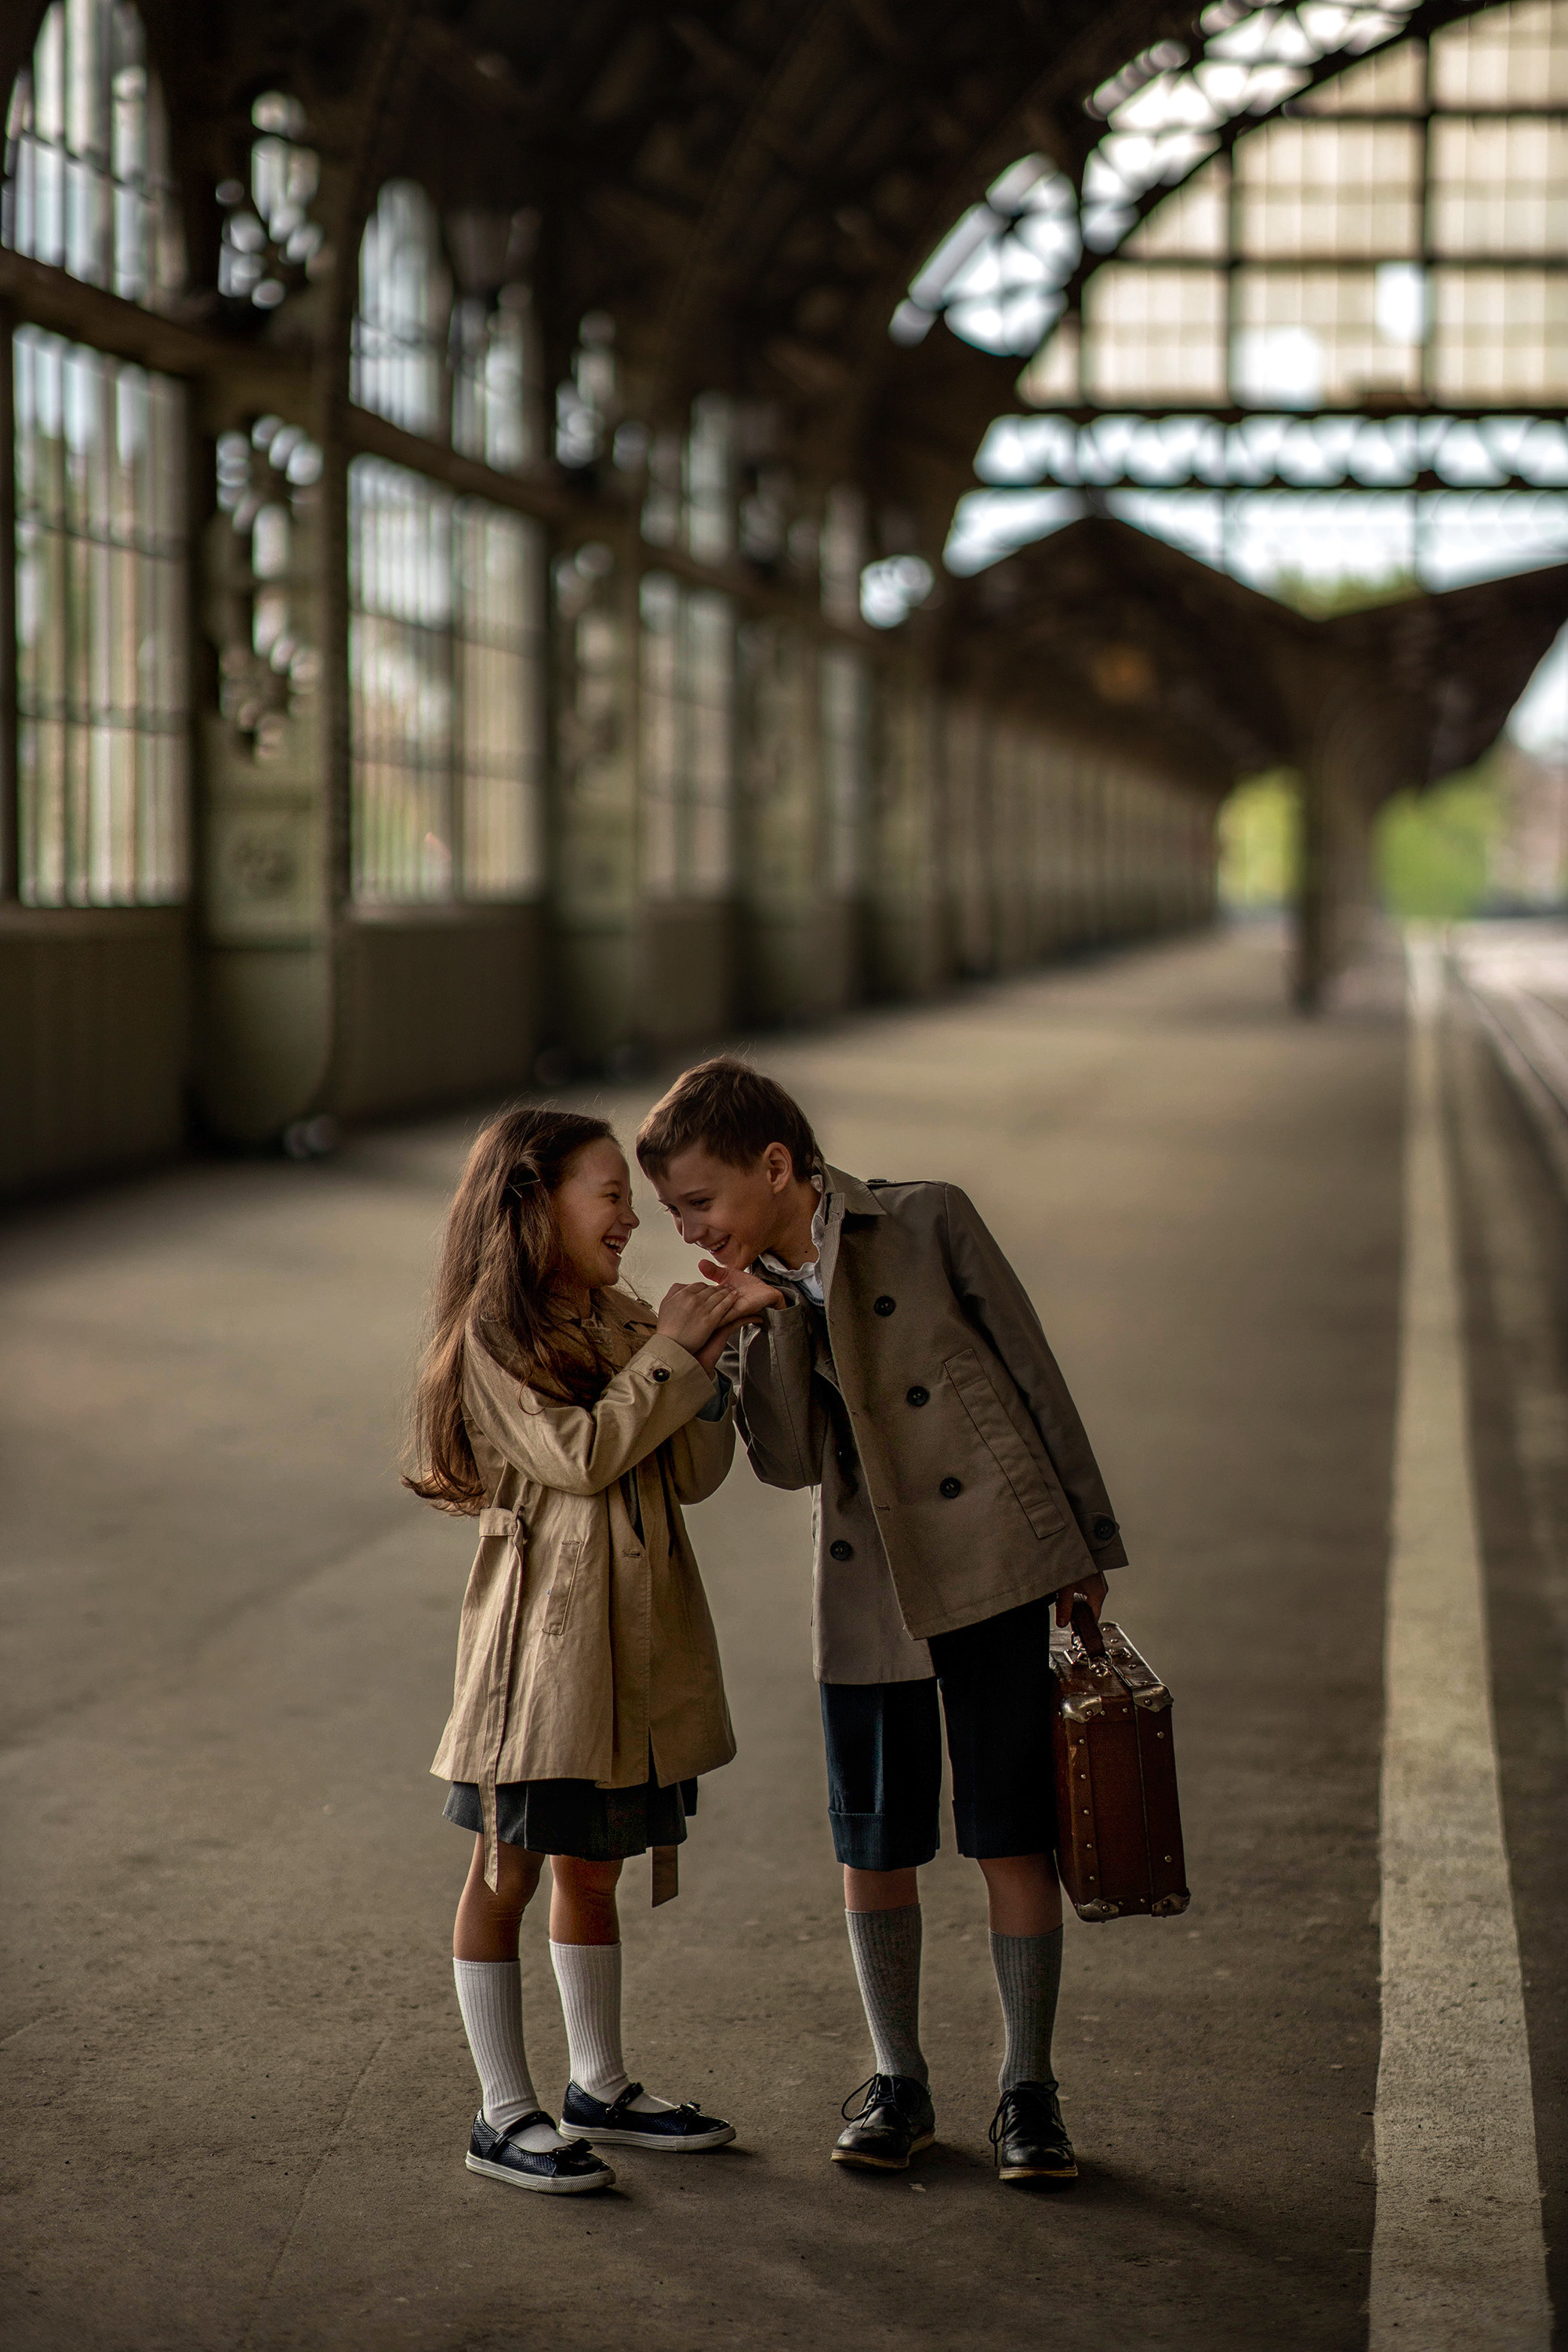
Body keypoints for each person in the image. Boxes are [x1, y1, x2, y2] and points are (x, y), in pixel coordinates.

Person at [637, 1059, 1127, 2189]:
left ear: (777, 1165)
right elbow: (792, 1463)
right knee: (874, 1834)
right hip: (865, 1584)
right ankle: (896, 2076)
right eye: (671, 1212)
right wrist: (760, 1327)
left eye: (700, 1201)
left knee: (1011, 1828)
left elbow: (1032, 1370)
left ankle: (1029, 2089)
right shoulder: (747, 1296)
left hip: (996, 1556)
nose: (688, 1226)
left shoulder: (927, 1218)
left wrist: (1089, 1543)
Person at [405, 1105, 752, 2195]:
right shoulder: (494, 1339)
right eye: (610, 1192)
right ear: (534, 1200)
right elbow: (583, 1454)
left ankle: (597, 2082)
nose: (633, 1216)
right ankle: (501, 2110)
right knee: (507, 1867)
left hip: (633, 1645)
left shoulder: (617, 1315)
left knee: (596, 1863)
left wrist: (711, 1359)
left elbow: (692, 1477)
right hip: (543, 1653)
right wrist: (671, 1351)